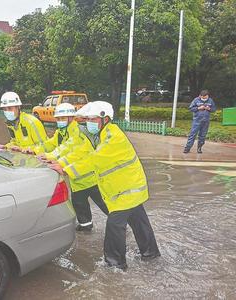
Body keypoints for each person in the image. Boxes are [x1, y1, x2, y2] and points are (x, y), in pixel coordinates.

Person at [49, 101, 160, 270]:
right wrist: (58, 161)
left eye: (93, 120)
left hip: (127, 189)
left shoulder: (113, 137)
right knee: (139, 221)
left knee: (115, 225)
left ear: (105, 119)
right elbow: (80, 151)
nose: (89, 123)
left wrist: (65, 170)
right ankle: (151, 253)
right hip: (127, 187)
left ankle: (115, 265)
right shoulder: (99, 136)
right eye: (88, 119)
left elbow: (95, 159)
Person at [36, 103, 109, 231]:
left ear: (71, 118)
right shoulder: (62, 132)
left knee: (104, 204)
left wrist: (62, 167)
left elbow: (78, 153)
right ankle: (85, 226)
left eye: (62, 118)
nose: (59, 121)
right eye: (58, 119)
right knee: (79, 204)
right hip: (76, 179)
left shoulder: (79, 131)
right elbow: (63, 149)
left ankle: (120, 223)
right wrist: (42, 154)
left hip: (91, 178)